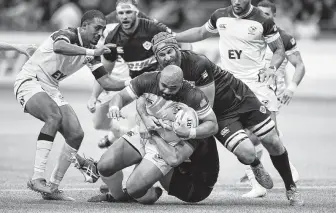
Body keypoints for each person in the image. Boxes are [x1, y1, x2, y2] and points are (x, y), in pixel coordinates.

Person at [150, 32, 303, 206]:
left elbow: (207, 103)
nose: (167, 57)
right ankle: (255, 164)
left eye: (169, 51)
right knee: (246, 154)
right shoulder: (162, 74)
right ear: (156, 57)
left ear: (177, 49)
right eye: (161, 54)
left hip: (240, 99)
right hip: (220, 115)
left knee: (272, 141)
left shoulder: (197, 63)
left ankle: (291, 188)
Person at [14, 10, 130, 201]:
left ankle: (52, 187)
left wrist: (132, 82)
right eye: (97, 28)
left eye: (102, 30)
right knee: (54, 117)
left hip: (50, 88)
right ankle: (37, 178)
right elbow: (60, 47)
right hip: (29, 80)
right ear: (83, 26)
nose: (99, 34)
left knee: (76, 134)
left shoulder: (90, 52)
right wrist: (93, 52)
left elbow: (107, 82)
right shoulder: (66, 35)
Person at [75, 65, 220, 204]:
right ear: (159, 79)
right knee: (104, 166)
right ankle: (118, 195)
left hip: (168, 145)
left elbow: (213, 125)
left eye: (173, 87)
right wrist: (115, 107)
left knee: (134, 190)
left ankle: (151, 192)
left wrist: (189, 132)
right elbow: (121, 97)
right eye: (164, 85)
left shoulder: (193, 96)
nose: (168, 90)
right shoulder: (147, 80)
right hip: (148, 131)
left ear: (181, 84)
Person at [236, 0, 307, 198]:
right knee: (254, 137)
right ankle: (264, 179)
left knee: (253, 137)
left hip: (269, 95)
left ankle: (263, 179)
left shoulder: (282, 38)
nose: (263, 17)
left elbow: (299, 65)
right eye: (260, 13)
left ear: (273, 17)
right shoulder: (245, 35)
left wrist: (291, 89)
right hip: (246, 93)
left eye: (267, 14)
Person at [85, 0, 174, 147]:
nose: (125, 15)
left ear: (136, 11)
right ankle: (116, 134)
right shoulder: (106, 24)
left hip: (135, 81)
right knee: (98, 123)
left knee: (139, 127)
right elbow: (103, 66)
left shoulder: (147, 23)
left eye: (128, 12)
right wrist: (93, 95)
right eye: (121, 12)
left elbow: (175, 41)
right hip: (113, 79)